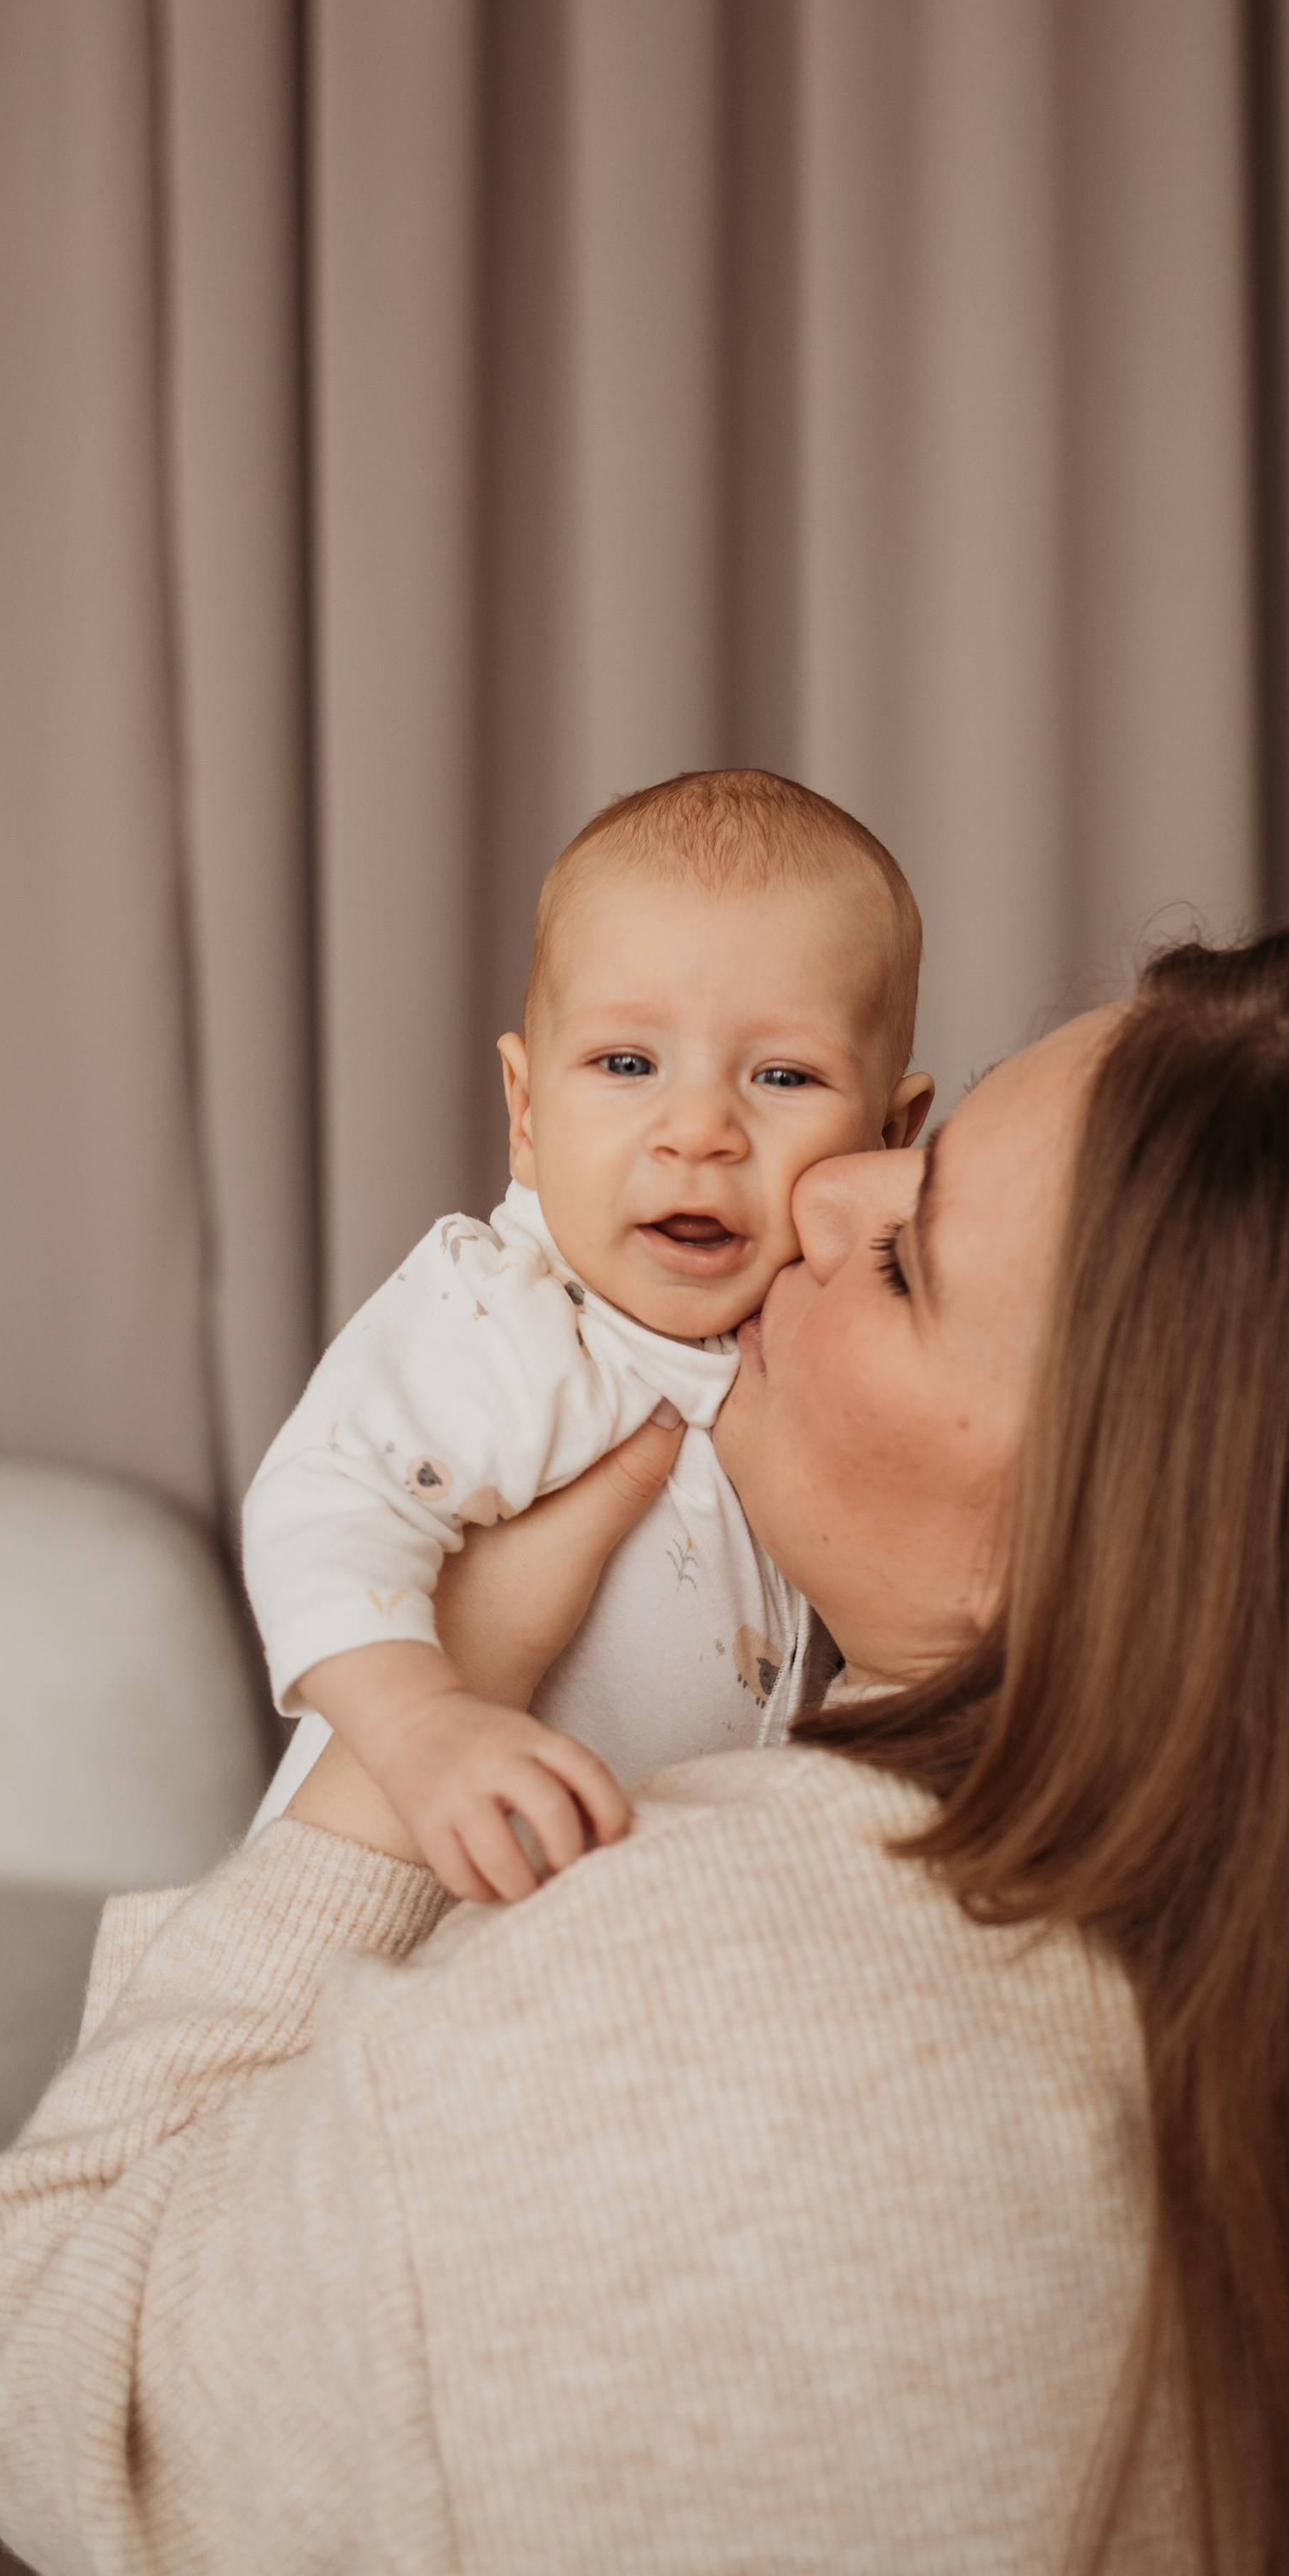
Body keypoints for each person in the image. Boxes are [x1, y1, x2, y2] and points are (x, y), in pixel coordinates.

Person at [0, 929, 1289, 2576]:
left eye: (905, 1257)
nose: (813, 1194)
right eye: (908, 1149)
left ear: (1133, 1541)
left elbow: (43, 2334)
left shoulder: (683, 2018)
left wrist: (401, 1741)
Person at [244, 767, 932, 1894]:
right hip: (411, 1885)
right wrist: (424, 1728)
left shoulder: (830, 1358)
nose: (699, 1130)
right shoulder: (504, 1315)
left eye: (783, 1075)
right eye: (626, 1064)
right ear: (525, 1113)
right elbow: (317, 1509)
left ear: (891, 1135)